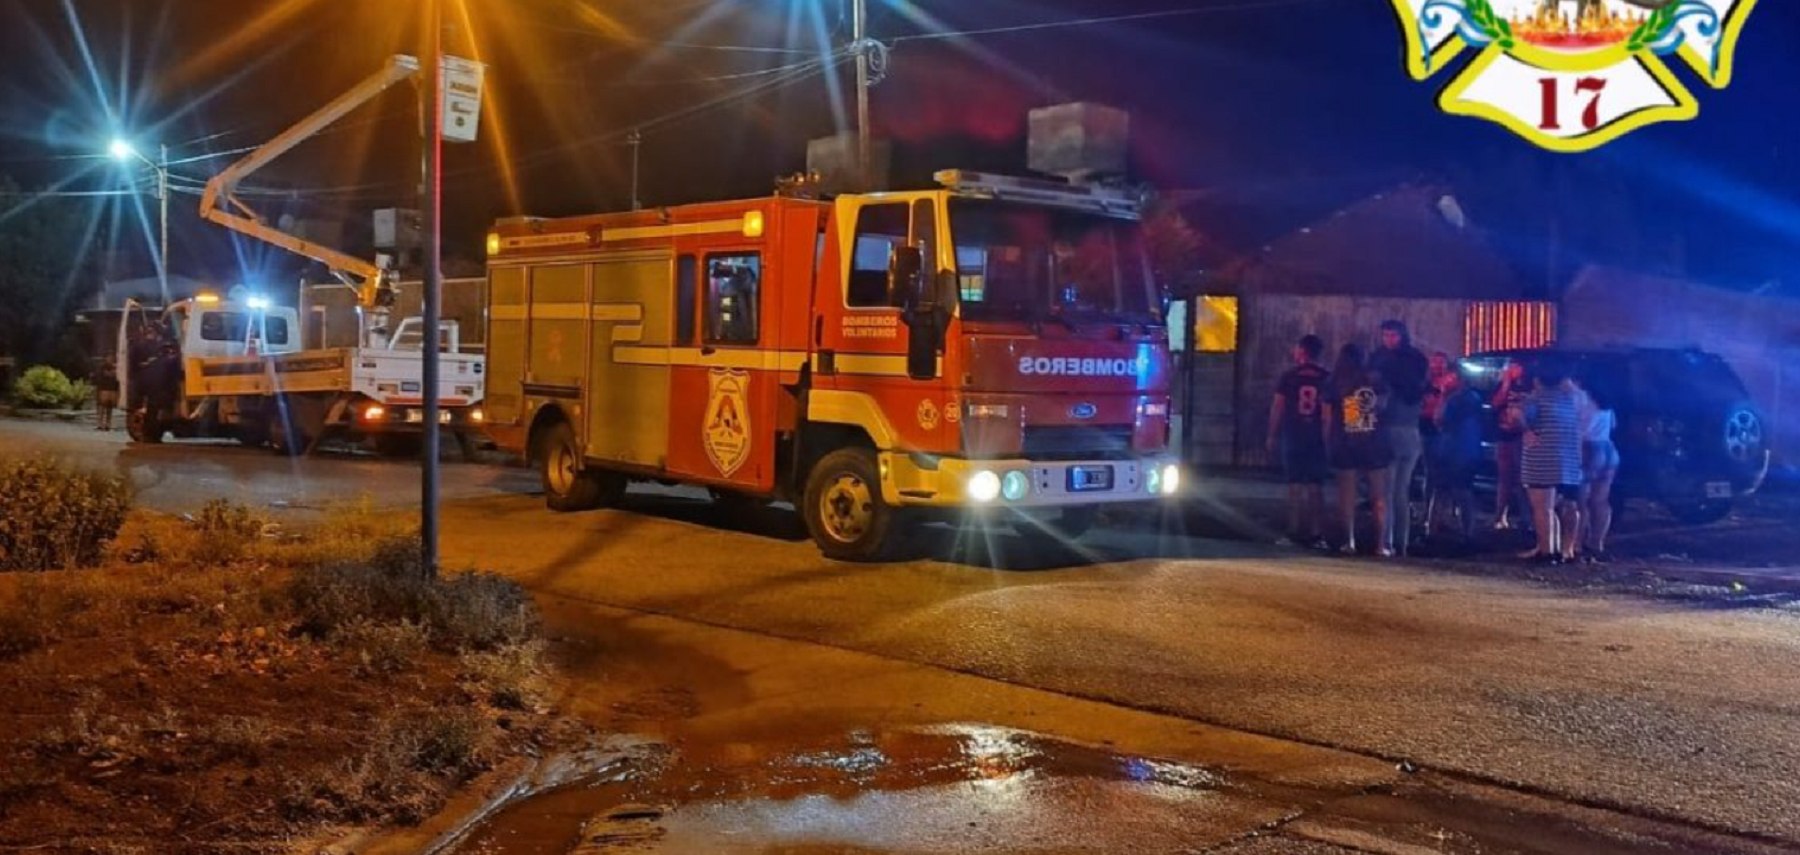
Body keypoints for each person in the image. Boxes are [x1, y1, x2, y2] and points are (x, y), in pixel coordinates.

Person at [1324, 343, 1394, 556]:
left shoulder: (1335, 381)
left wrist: (1327, 441)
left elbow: (1327, 416)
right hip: (1373, 441)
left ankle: (1349, 542)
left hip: (1345, 440)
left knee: (1347, 495)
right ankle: (1380, 544)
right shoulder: (1376, 379)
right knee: (1379, 494)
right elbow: (1384, 407)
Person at [1267, 334, 1332, 549]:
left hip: (1294, 436)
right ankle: (1317, 533)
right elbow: (1327, 413)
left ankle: (1293, 531)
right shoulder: (1325, 377)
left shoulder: (1289, 376)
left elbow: (1278, 406)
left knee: (1294, 485)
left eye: (1297, 349)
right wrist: (1327, 438)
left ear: (1303, 351)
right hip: (1315, 437)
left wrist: (1272, 434)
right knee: (1316, 486)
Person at [1370, 320, 1429, 555]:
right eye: (1386, 335)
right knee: (1400, 492)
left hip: (1390, 431)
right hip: (1412, 433)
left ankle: (1385, 542)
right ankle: (1401, 544)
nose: (1388, 340)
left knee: (1386, 490)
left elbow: (1372, 397)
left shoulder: (1384, 365)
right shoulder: (1416, 363)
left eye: (1392, 335)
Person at [1520, 362, 1584, 564]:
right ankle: (1567, 550)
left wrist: (1525, 429)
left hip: (1542, 460)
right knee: (1568, 506)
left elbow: (1521, 417)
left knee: (1543, 507)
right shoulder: (1570, 401)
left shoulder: (1535, 400)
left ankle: (1547, 551)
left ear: (1537, 380)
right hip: (1569, 462)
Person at [1426, 368, 1484, 547]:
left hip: (1451, 450)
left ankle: (1432, 531)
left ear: (1458, 380)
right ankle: (1468, 532)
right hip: (1470, 450)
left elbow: (1439, 420)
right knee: (1464, 491)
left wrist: (1442, 396)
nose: (1444, 381)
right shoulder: (1475, 398)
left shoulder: (1454, 399)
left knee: (1441, 490)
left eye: (1449, 378)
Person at [1575, 376, 1621, 562]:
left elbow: (1577, 428)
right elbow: (1613, 426)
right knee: (1600, 500)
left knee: (1581, 500)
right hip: (1609, 449)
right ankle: (1597, 542)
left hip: (1589, 449)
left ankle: (1577, 543)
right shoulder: (1606, 404)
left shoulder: (1581, 399)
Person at [1491, 361, 1533, 531]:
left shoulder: (1530, 385)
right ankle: (1500, 517)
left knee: (1524, 480)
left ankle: (1528, 519)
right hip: (1504, 437)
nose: (1510, 370)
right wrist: (1506, 384)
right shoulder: (1503, 385)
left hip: (1521, 438)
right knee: (1504, 479)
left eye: (1514, 366)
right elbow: (1495, 404)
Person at [91, 358, 119, 432]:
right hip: (103, 389)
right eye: (109, 357)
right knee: (101, 407)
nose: (110, 359)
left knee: (109, 408)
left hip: (112, 389)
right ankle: (100, 424)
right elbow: (98, 378)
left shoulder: (116, 368)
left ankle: (108, 424)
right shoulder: (102, 368)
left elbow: (117, 380)